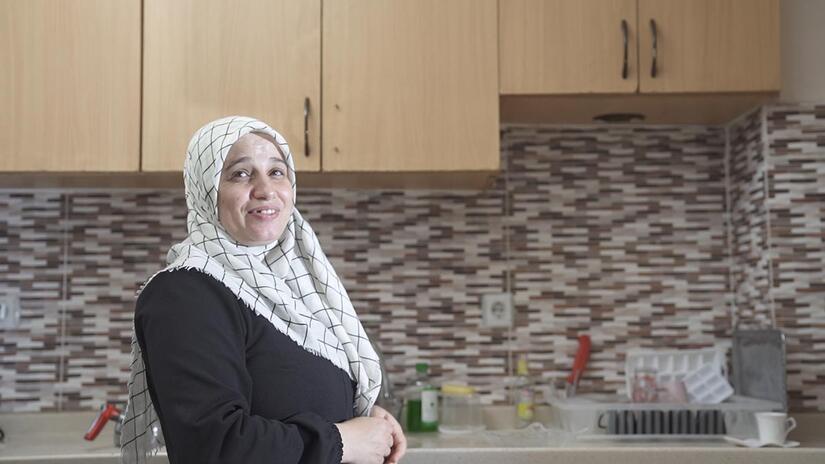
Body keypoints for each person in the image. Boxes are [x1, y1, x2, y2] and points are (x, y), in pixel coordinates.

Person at [121, 116, 406, 464]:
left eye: (276, 172)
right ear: (206, 189)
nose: (265, 189)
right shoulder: (184, 294)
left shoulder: (290, 290)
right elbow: (214, 446)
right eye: (241, 173)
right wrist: (342, 440)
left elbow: (287, 394)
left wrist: (364, 420)